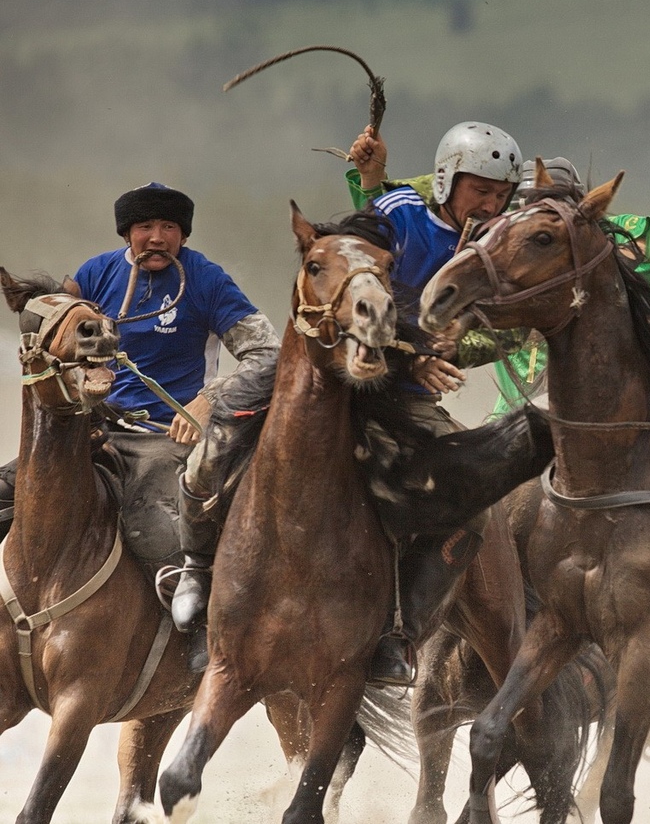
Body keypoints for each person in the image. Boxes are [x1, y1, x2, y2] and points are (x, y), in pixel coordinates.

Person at [0, 182, 280, 667]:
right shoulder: (95, 273)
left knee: (151, 522)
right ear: (127, 232)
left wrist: (209, 401)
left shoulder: (208, 281)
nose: (156, 237)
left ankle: (200, 634)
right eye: (145, 227)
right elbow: (56, 327)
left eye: (168, 227)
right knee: (11, 488)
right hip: (92, 431)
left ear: (183, 236)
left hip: (164, 438)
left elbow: (268, 355)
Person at [346, 121, 531, 684]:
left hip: (407, 403)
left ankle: (399, 636)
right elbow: (358, 286)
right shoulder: (400, 212)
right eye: (481, 190)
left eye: (501, 194)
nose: (491, 203)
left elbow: (512, 331)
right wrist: (416, 352)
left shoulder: (496, 250)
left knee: (471, 503)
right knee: (230, 427)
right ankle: (197, 578)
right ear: (448, 179)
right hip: (346, 380)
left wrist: (460, 344)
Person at [487, 157, 650, 418]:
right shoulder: (496, 268)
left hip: (596, 405)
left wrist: (608, 256)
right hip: (510, 414)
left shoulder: (600, 248)